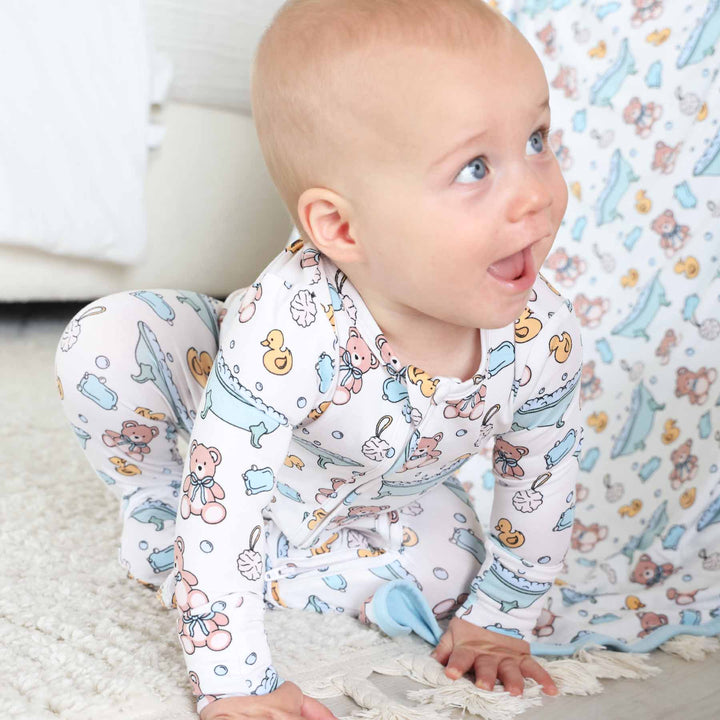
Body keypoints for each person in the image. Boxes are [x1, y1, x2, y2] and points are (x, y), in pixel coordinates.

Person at [54, 1, 584, 717]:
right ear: (340, 227)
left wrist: (502, 615)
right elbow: (226, 495)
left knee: (456, 573)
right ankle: (157, 509)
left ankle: (291, 568)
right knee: (107, 342)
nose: (536, 195)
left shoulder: (541, 334)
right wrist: (235, 681)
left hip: (382, 495)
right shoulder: (291, 325)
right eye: (476, 168)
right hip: (228, 452)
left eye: (537, 139)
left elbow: (540, 479)